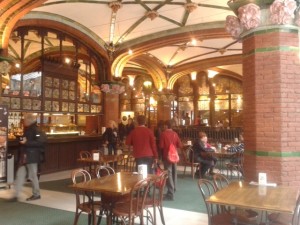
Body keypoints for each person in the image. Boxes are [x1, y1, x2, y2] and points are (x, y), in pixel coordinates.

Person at [10, 113, 47, 201]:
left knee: (32, 176)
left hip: (31, 157)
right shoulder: (30, 129)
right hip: (26, 157)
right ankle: (16, 194)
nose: (23, 121)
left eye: (25, 120)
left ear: (29, 120)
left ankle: (36, 194)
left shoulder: (35, 130)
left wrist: (25, 142)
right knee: (20, 175)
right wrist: (21, 140)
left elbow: (40, 143)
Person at [159, 120, 182, 201]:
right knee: (174, 172)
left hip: (167, 156)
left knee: (168, 173)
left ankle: (170, 193)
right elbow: (180, 145)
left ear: (166, 126)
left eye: (164, 125)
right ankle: (174, 188)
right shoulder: (175, 134)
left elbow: (161, 146)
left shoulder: (163, 134)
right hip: (174, 156)